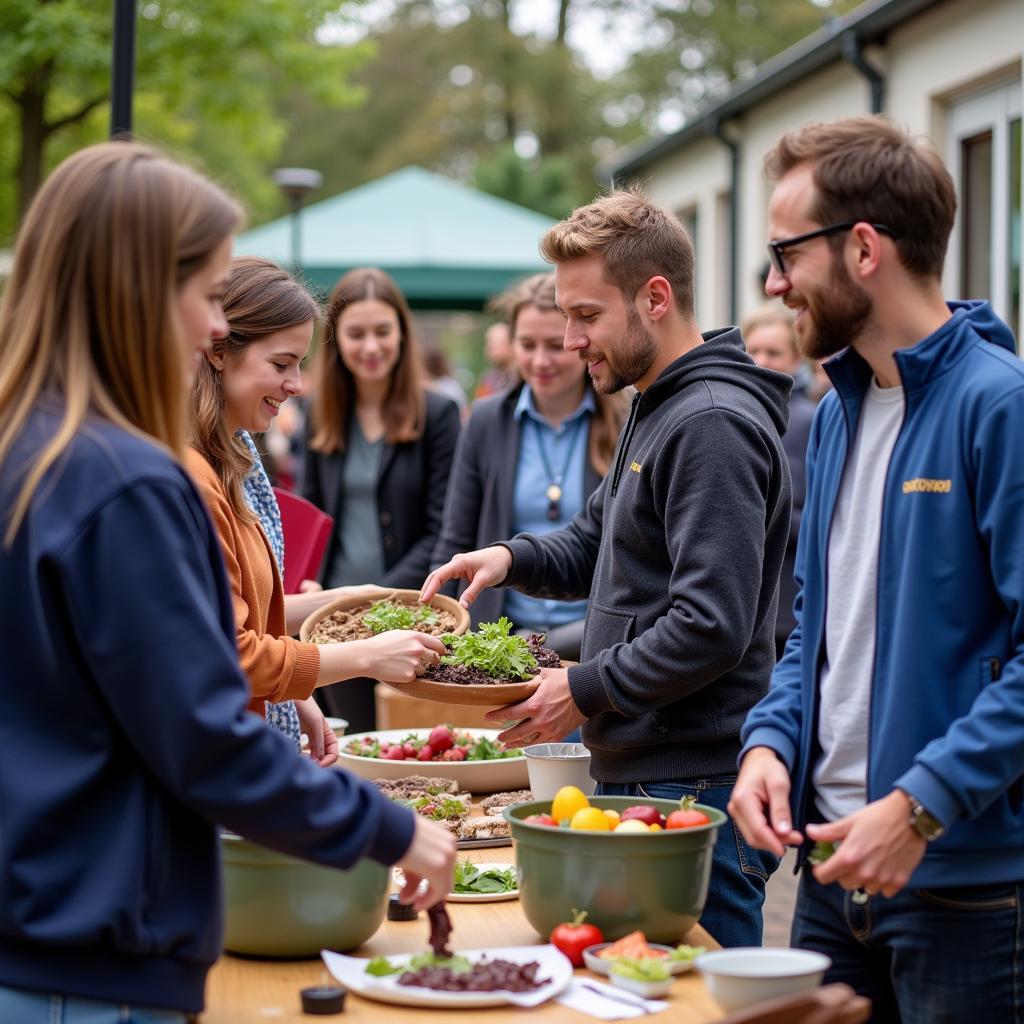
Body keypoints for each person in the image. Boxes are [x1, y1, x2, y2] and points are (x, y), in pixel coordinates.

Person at [0, 142, 455, 1023]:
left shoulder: (32, 450)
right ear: (139, 290)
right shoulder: (125, 482)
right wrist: (393, 830)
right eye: (209, 295)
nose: (218, 330)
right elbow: (204, 734)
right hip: (94, 960)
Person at [422, 190, 793, 947]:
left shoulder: (709, 422)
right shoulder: (659, 404)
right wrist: (510, 556)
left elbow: (710, 624)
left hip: (695, 793)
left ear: (655, 298)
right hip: (655, 776)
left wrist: (583, 689)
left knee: (691, 1003)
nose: (568, 340)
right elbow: (595, 543)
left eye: (586, 316)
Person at [729, 115, 1024, 1021]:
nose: (775, 285)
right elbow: (816, 624)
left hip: (967, 894)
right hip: (829, 877)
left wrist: (921, 805)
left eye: (786, 254)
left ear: (863, 248)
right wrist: (770, 741)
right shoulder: (835, 413)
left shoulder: (998, 408)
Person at [188, 258, 448, 745]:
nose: (296, 385)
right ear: (219, 350)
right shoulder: (197, 479)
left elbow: (246, 613)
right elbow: (229, 650)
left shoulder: (235, 458)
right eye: (281, 364)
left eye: (300, 365)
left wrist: (348, 602)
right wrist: (362, 654)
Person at [432, 272, 628, 661]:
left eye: (555, 345)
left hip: (598, 642)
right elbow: (457, 536)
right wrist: (442, 625)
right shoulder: (488, 420)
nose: (540, 361)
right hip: (503, 641)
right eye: (527, 344)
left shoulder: (624, 420)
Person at [301, 267, 461, 732]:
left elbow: (442, 528)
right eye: (356, 334)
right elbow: (312, 517)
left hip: (410, 614)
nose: (370, 347)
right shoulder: (318, 413)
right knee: (351, 742)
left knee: (403, 741)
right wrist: (314, 589)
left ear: (402, 335)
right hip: (333, 621)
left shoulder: (438, 414)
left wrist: (383, 601)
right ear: (336, 341)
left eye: (382, 332)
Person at [743, 304, 816, 661]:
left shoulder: (808, 421)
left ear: (798, 356)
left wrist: (759, 513)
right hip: (745, 611)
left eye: (774, 352)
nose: (761, 361)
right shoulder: (737, 417)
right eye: (753, 351)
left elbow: (823, 520)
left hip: (789, 610)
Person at [474, 320, 517, 398]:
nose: (489, 347)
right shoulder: (488, 379)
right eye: (487, 342)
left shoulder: (521, 379)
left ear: (512, 344)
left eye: (493, 342)